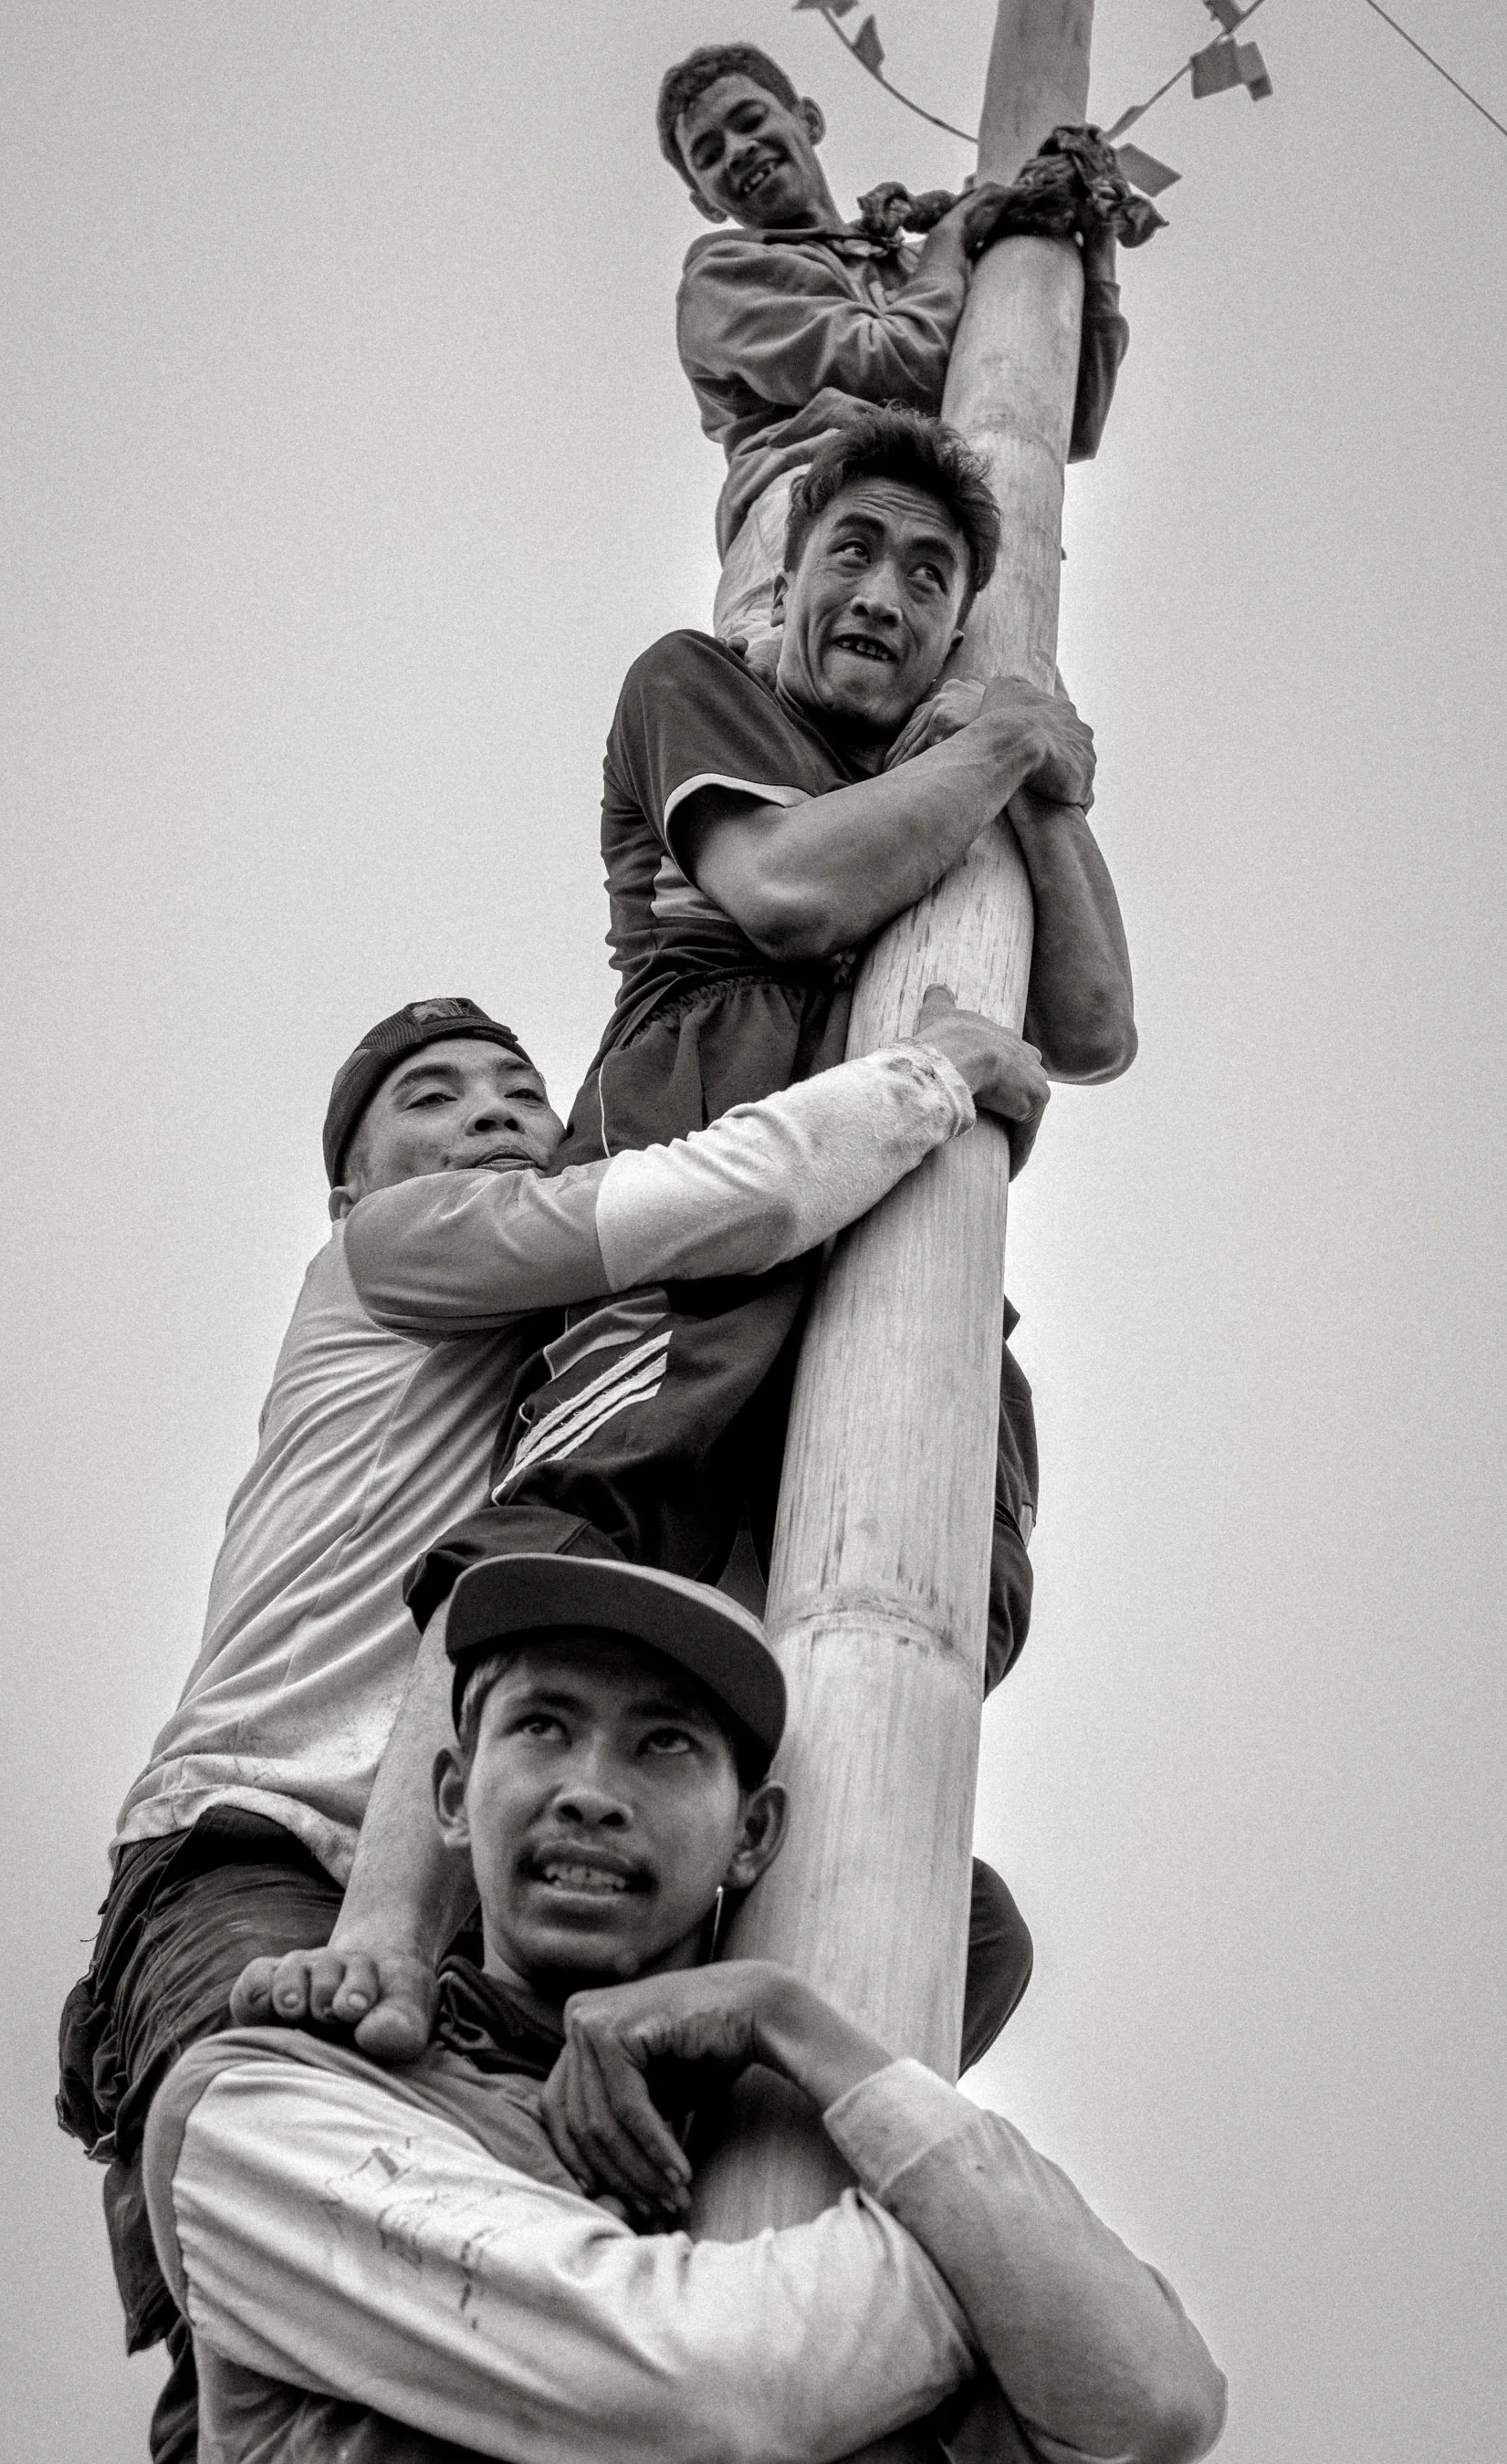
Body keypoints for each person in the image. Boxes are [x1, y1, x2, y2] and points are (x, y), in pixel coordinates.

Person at [58, 987, 1051, 2463]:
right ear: (351, 1185)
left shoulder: (569, 1371)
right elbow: (724, 1192)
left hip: (483, 1882)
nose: (489, 1115)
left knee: (949, 1928)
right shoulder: (386, 1255)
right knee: (286, 2231)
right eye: (436, 1099)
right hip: (262, 1838)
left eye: (515, 1087)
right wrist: (928, 1080)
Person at [143, 1553, 1228, 2464]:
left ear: (753, 1835)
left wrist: (789, 2018)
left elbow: (1153, 2406)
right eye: (543, 1727)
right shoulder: (261, 2104)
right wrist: (989, 2277)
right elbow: (709, 2386)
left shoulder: (793, 2143)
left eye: (663, 1743)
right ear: (449, 1798)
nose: (589, 1790)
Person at [403, 408, 1134, 1721]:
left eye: (928, 577)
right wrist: (998, 748)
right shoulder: (699, 683)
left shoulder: (958, 773)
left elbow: (1091, 1028)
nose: (883, 594)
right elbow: (785, 891)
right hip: (708, 1102)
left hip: (903, 1171)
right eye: (854, 551)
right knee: (595, 1521)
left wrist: (1029, 777)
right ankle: (403, 1909)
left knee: (932, 1578)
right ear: (790, 571)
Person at [656, 41, 1131, 649]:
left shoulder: (922, 269)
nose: (738, 149)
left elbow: (1070, 419)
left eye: (750, 120)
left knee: (1010, 733)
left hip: (953, 547)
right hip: (814, 511)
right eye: (709, 152)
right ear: (703, 199)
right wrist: (951, 238)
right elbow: (897, 364)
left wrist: (1093, 241)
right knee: (782, 718)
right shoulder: (727, 272)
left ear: (807, 118)